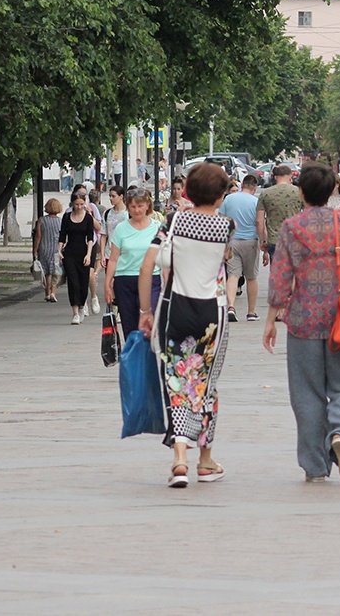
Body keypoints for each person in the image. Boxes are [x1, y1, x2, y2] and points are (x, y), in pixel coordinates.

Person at [263, 163, 340, 484]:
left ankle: (315, 467)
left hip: (303, 321)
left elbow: (280, 278)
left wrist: (270, 320)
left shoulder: (291, 227)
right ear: (331, 191)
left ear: (301, 192)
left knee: (306, 394)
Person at [137, 163, 234, 488]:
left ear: (188, 191)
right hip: (212, 314)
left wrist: (144, 311)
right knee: (206, 385)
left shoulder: (174, 221)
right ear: (221, 196)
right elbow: (225, 256)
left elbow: (148, 263)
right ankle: (205, 462)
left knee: (178, 383)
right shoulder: (226, 227)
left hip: (174, 309)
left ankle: (179, 459)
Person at [104, 188, 160, 339]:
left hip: (152, 279)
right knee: (129, 325)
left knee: (150, 323)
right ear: (128, 207)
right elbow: (114, 258)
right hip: (125, 280)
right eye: (133, 206)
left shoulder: (157, 228)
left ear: (148, 205)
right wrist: (108, 284)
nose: (137, 210)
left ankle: (149, 356)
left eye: (140, 206)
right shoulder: (121, 229)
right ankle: (133, 357)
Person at [220, 174, 261, 322]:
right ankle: (251, 312)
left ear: (242, 184)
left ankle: (231, 307)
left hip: (232, 241)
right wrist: (263, 241)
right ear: (254, 187)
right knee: (251, 277)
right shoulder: (256, 201)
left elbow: (222, 219)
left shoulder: (229, 199)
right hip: (251, 241)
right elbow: (259, 222)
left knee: (233, 275)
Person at [58, 192, 101, 324]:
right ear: (72, 204)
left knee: (83, 283)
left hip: (83, 252)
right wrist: (59, 250)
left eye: (82, 204)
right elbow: (62, 236)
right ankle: (75, 312)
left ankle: (82, 306)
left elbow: (90, 237)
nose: (79, 207)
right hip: (69, 252)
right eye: (76, 204)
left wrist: (88, 254)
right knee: (73, 282)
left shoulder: (88, 218)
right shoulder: (66, 217)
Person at [257, 164, 304, 261]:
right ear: (290, 176)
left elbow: (259, 221)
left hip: (275, 240)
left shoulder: (265, 193)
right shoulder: (299, 192)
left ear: (275, 177)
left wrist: (263, 241)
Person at [33, 198, 64, 303]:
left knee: (46, 272)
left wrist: (35, 250)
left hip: (44, 248)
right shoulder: (60, 221)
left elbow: (38, 236)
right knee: (55, 271)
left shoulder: (42, 220)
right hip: (56, 249)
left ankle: (47, 293)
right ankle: (53, 293)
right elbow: (63, 237)